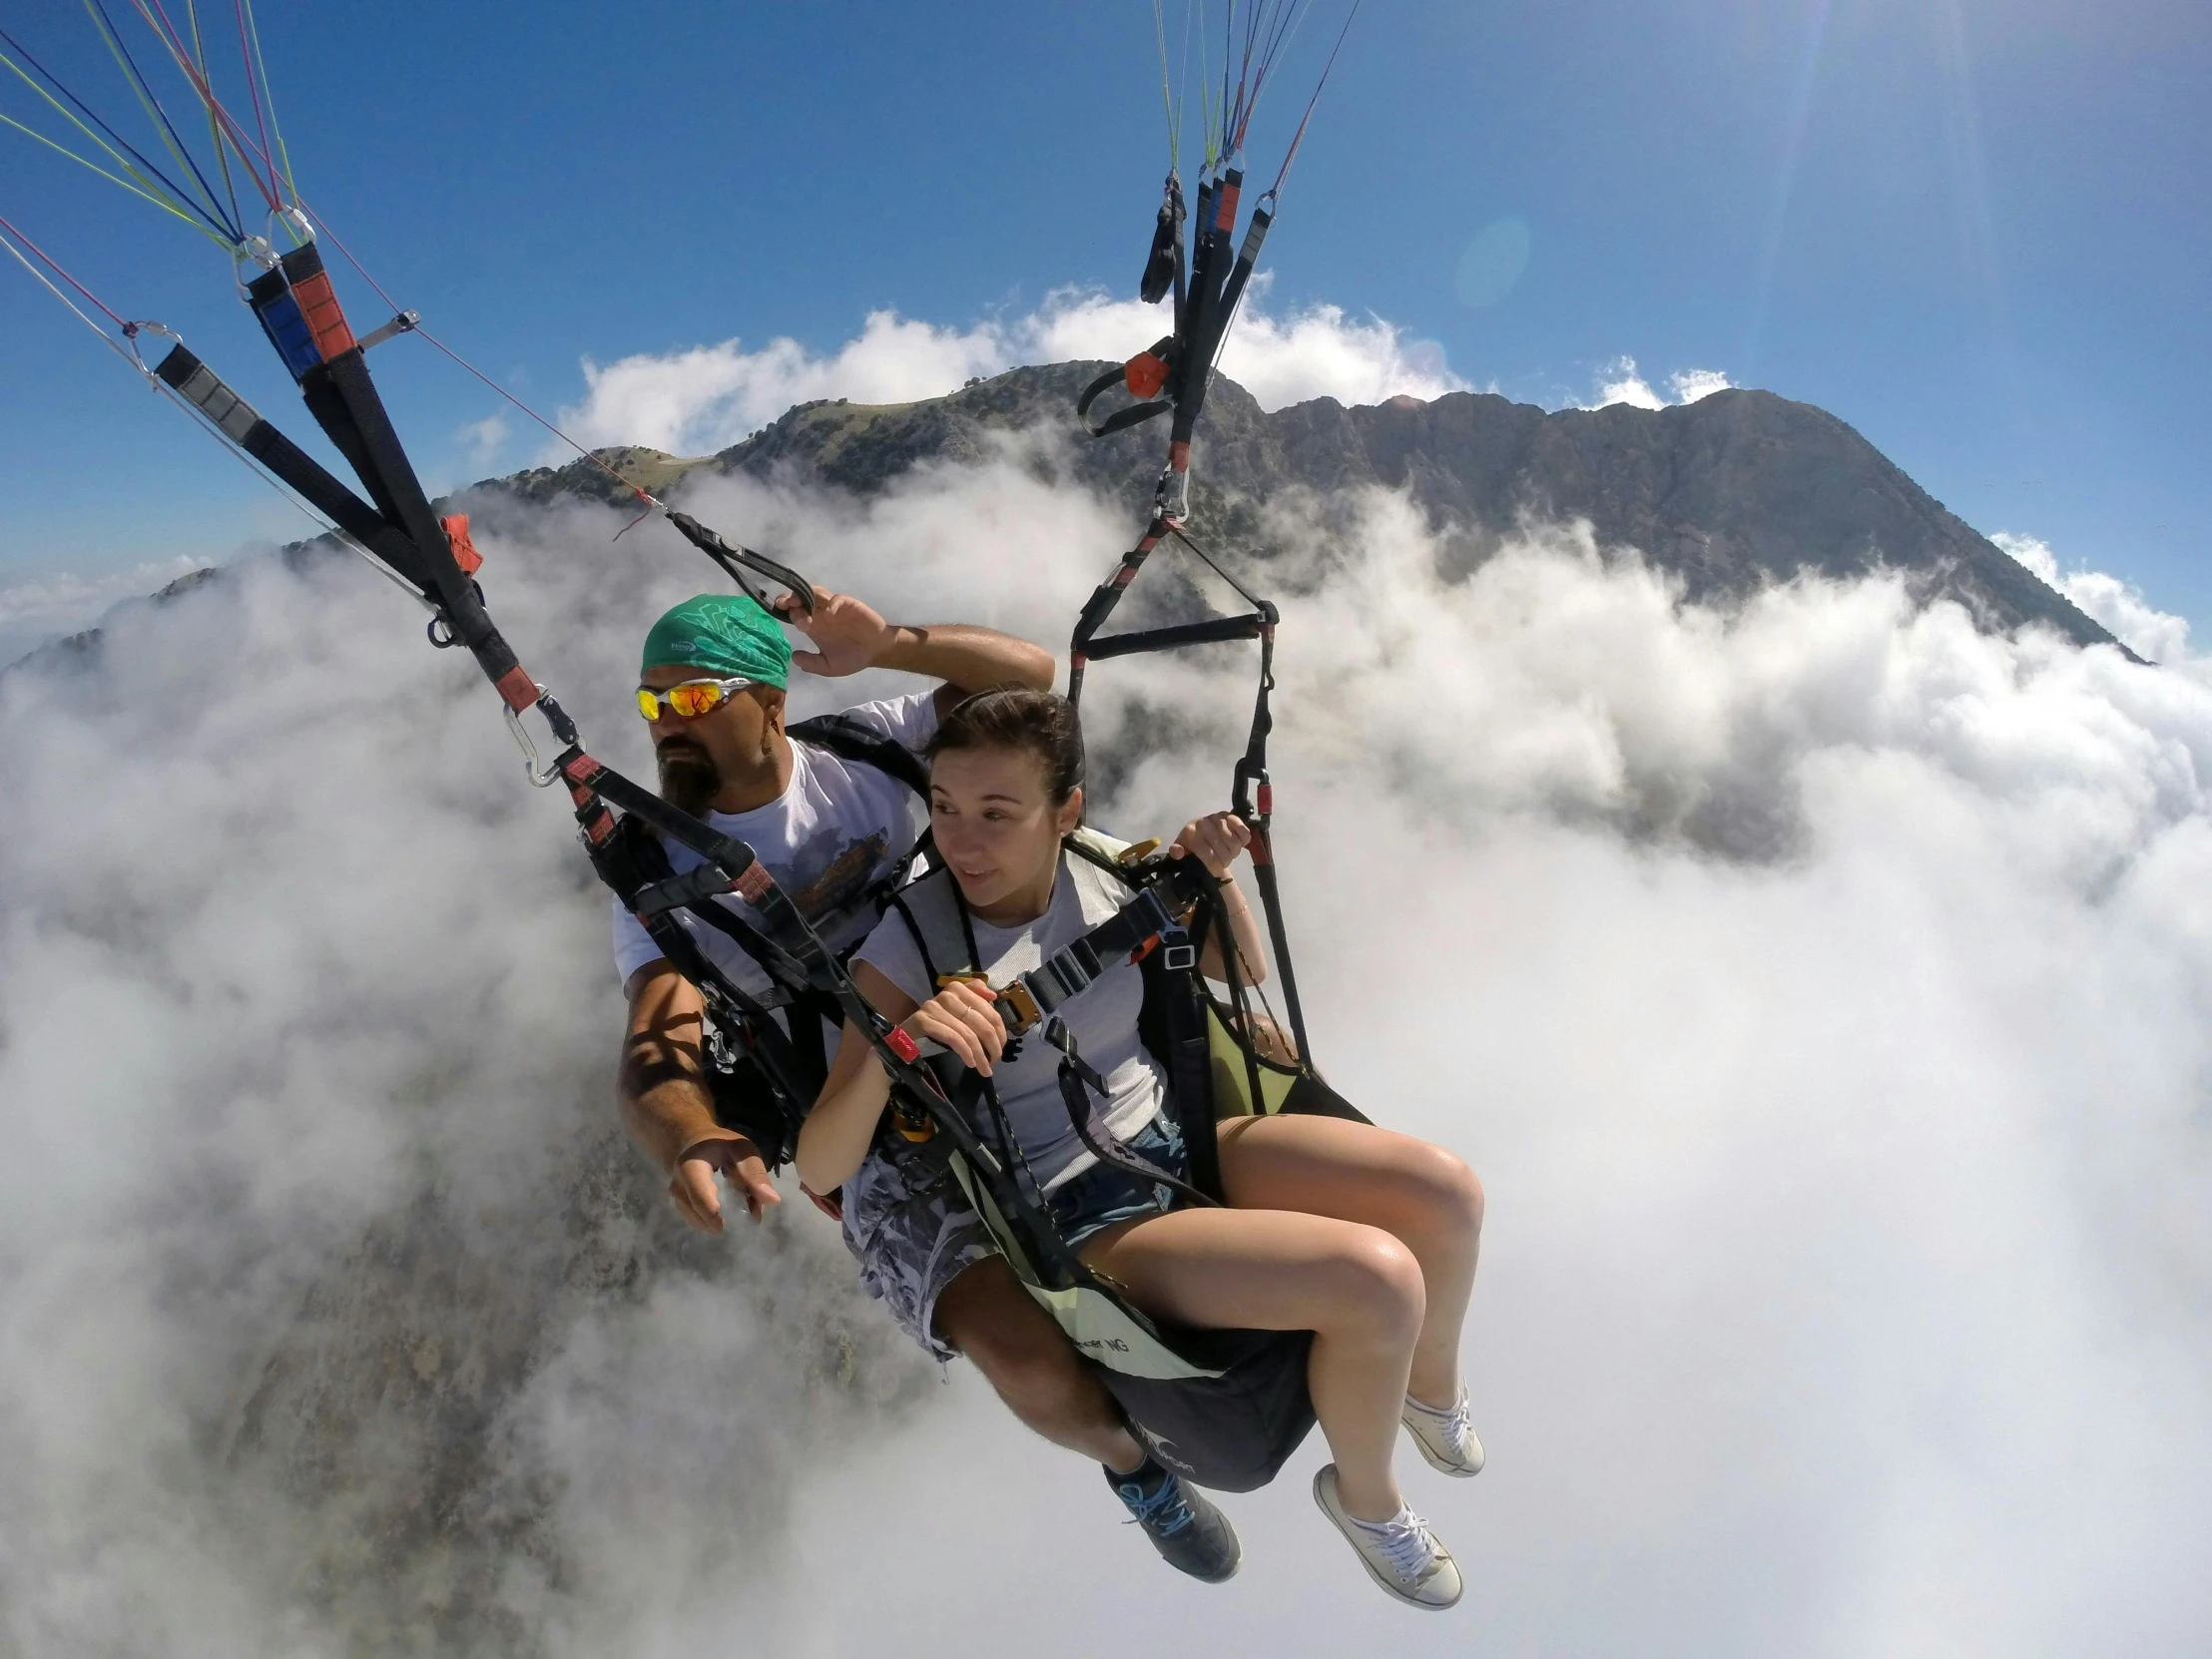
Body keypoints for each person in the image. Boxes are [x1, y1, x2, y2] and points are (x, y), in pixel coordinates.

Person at [797, 688, 1486, 1610]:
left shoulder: (1101, 864)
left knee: (1446, 1194)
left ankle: (1426, 1392)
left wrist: (1214, 875)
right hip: (1090, 1214)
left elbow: (1238, 973)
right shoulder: (909, 944)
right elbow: (822, 1165)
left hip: (1180, 1137)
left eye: (997, 814)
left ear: (1064, 811)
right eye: (948, 809)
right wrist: (897, 1045)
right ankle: (1366, 1498)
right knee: (1379, 1280)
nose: (962, 842)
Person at [611, 586, 1243, 1580]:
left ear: (768, 702)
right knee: (1014, 1344)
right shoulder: (662, 877)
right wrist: (689, 1133)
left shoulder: (864, 751)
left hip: (1003, 999)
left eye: (691, 703)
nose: (666, 731)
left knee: (1205, 1105)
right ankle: (1134, 1469)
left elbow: (1028, 686)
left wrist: (887, 646)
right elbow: (656, 1033)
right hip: (865, 1112)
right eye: (653, 708)